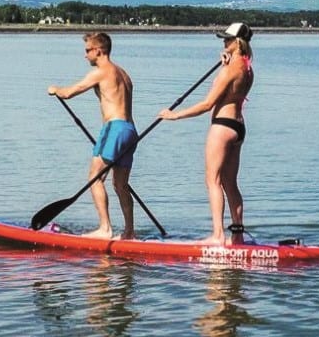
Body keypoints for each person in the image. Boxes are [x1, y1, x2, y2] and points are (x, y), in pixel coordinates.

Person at [159, 22, 255, 246]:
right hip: (239, 127)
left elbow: (207, 104)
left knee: (212, 180)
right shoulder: (247, 68)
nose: (224, 42)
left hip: (222, 126)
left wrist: (175, 115)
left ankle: (218, 235)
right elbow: (234, 90)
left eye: (227, 39)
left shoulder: (230, 69)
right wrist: (226, 63)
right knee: (230, 183)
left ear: (237, 42)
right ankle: (237, 236)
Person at [48, 32, 138, 239]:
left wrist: (55, 89)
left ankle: (105, 229)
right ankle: (129, 232)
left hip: (114, 129)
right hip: (130, 130)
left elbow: (69, 93)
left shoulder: (101, 72)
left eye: (88, 50)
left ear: (99, 50)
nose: (85, 55)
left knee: (95, 178)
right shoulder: (124, 73)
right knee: (120, 184)